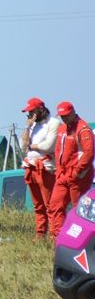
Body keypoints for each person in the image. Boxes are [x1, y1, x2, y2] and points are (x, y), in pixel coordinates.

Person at [49, 101, 93, 239]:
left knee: (78, 209)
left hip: (78, 176)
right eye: (61, 116)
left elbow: (89, 152)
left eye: (66, 115)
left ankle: (80, 239)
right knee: (55, 205)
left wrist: (77, 172)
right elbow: (58, 151)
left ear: (73, 112)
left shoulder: (83, 129)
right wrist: (59, 170)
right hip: (62, 175)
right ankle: (57, 237)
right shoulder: (62, 129)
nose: (64, 118)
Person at [18, 97, 60, 238]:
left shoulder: (54, 123)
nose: (30, 115)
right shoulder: (32, 126)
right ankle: (40, 233)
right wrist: (28, 127)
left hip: (46, 168)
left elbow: (49, 146)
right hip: (31, 167)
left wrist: (33, 146)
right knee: (38, 205)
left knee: (50, 204)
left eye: (32, 111)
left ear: (41, 109)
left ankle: (54, 235)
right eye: (28, 112)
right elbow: (23, 147)